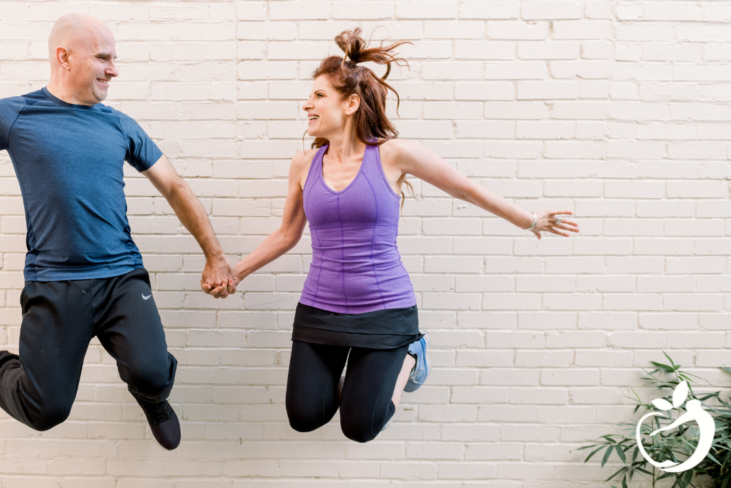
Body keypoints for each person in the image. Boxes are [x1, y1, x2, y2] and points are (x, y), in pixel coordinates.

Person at [0, 14, 236, 450]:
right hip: (55, 283)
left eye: (115, 59)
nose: (114, 69)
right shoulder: (16, 114)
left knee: (152, 372)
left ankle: (151, 396)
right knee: (46, 411)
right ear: (64, 57)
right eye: (103, 58)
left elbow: (174, 186)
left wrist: (214, 253)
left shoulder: (119, 124)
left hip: (121, 277)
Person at [206, 29, 579, 443]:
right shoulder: (303, 163)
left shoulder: (391, 155)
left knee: (360, 427)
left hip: (384, 310)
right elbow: (287, 234)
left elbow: (465, 189)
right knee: (305, 415)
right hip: (319, 309)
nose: (306, 104)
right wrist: (235, 273)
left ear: (350, 104)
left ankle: (410, 353)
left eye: (318, 96)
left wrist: (529, 220)